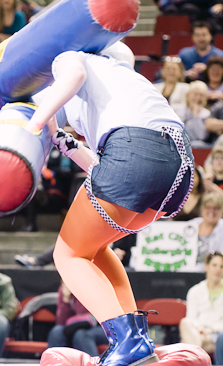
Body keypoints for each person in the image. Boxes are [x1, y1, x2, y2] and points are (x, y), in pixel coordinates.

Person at [22, 36, 193, 365]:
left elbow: (72, 78)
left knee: (68, 254)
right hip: (178, 170)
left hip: (136, 153)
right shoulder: (131, 85)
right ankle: (137, 336)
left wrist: (34, 123)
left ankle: (127, 341)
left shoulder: (72, 56)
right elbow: (113, 170)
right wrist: (63, 141)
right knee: (95, 248)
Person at [47, 281, 106, 355]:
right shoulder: (66, 289)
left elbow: (87, 315)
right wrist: (65, 299)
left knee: (81, 335)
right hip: (76, 326)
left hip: (105, 327)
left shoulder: (94, 285)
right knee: (56, 331)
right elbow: (61, 321)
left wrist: (80, 292)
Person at [188, 194, 223, 271]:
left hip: (211, 272)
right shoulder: (191, 224)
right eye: (208, 207)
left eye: (216, 208)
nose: (211, 211)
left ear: (222, 211)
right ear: (202, 209)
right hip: (185, 270)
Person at [172, 81, 211, 147]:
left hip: (194, 145)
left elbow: (200, 136)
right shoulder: (175, 108)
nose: (198, 98)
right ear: (187, 95)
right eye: (195, 94)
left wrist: (195, 115)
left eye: (201, 95)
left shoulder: (207, 114)